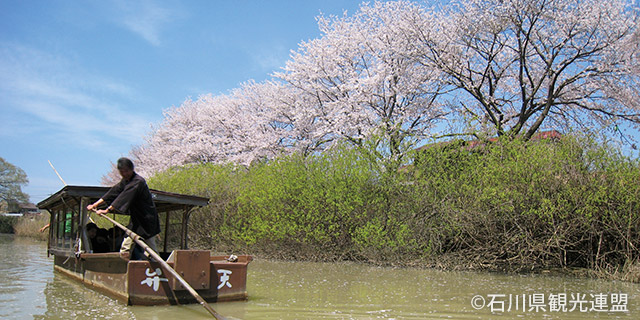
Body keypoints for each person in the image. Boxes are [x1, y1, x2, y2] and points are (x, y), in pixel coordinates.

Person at [86, 157, 160, 260]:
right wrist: (95, 204)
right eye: (122, 172)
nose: (124, 174)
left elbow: (124, 197)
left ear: (131, 169)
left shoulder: (138, 182)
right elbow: (113, 192)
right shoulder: (125, 181)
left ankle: (158, 266)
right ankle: (123, 265)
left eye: (126, 171)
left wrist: (107, 210)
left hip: (147, 219)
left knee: (150, 246)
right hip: (136, 220)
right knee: (127, 243)